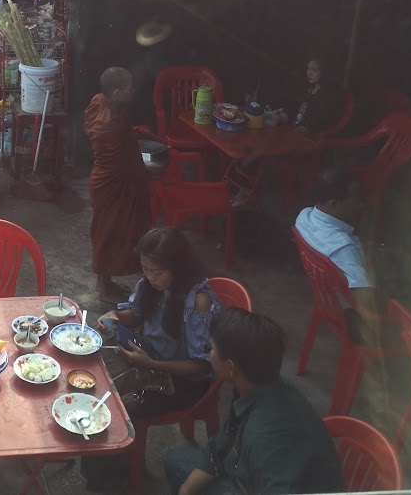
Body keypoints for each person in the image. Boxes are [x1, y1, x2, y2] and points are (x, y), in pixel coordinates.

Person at [83, 228, 220, 493]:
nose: (150, 277)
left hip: (185, 381)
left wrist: (151, 365)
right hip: (151, 356)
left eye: (157, 271)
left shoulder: (198, 301)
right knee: (91, 378)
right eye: (145, 268)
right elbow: (136, 315)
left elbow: (203, 367)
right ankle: (108, 470)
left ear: (178, 266)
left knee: (113, 408)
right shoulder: (150, 285)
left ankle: (109, 481)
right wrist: (115, 316)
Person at [164, 308, 344, 495]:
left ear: (231, 367)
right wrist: (186, 490)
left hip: (257, 485)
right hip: (246, 472)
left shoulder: (264, 436)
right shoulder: (256, 387)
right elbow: (221, 445)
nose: (209, 353)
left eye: (211, 349)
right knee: (175, 460)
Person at [85, 67, 155, 303]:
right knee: (108, 234)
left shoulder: (99, 103)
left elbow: (123, 136)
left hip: (106, 179)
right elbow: (122, 155)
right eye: (129, 88)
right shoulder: (109, 123)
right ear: (116, 93)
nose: (133, 91)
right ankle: (103, 289)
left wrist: (135, 133)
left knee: (111, 232)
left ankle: (108, 283)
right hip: (112, 183)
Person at [295, 165, 382, 340]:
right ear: (334, 204)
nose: (362, 204)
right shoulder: (343, 248)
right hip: (348, 313)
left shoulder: (304, 217)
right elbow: (366, 301)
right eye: (356, 198)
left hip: (326, 297)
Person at [292, 57, 341, 134]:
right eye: (308, 69)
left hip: (312, 135)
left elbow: (324, 119)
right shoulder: (306, 89)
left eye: (314, 70)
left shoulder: (328, 95)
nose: (309, 73)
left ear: (323, 72)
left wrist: (308, 128)